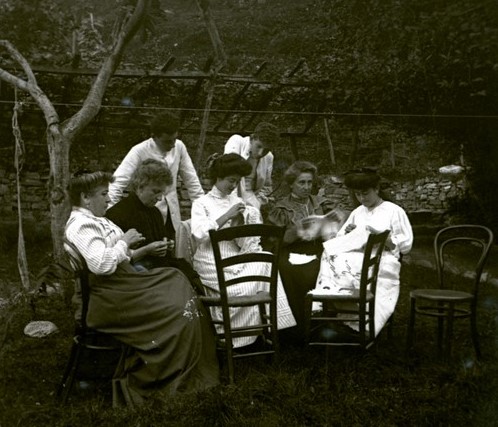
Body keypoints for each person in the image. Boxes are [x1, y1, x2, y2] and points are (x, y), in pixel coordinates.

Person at [65, 170, 219, 405]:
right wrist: (124, 242)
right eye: (104, 194)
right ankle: (166, 372)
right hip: (108, 295)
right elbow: (101, 264)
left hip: (121, 283)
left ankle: (184, 361)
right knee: (177, 303)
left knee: (176, 278)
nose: (108, 199)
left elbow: (117, 257)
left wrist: (131, 248)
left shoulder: (97, 220)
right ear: (86, 197)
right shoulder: (82, 225)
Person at [191, 153, 296, 348]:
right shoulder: (201, 203)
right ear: (218, 177)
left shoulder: (238, 202)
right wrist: (226, 216)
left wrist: (240, 223)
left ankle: (273, 327)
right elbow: (199, 234)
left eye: (237, 181)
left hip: (235, 254)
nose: (233, 185)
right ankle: (238, 336)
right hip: (210, 258)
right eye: (231, 180)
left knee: (266, 259)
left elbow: (245, 243)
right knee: (242, 287)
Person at [313, 168, 413, 336]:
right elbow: (340, 238)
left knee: (358, 267)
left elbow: (405, 245)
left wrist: (383, 238)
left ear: (377, 189)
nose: (362, 198)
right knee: (330, 255)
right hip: (356, 256)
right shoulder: (358, 212)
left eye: (365, 193)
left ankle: (363, 324)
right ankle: (343, 311)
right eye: (357, 194)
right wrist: (349, 233)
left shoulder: (394, 211)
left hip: (382, 258)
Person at [105, 158, 204, 293]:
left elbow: (160, 244)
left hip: (157, 268)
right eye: (155, 191)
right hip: (135, 276)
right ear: (140, 186)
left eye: (162, 193)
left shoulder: (155, 212)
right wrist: (147, 250)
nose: (159, 198)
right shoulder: (116, 214)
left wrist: (166, 245)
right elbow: (117, 261)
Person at [267, 161, 340, 341]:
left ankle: (324, 322)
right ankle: (297, 328)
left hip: (320, 247)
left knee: (331, 266)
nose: (306, 187)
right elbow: (276, 241)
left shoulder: (321, 203)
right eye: (301, 182)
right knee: (290, 270)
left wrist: (331, 224)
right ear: (291, 184)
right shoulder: (281, 208)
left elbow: (336, 228)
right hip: (291, 250)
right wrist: (299, 230)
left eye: (309, 182)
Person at [108, 112, 204, 236]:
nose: (172, 145)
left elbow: (192, 182)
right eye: (167, 141)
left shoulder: (179, 147)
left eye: (174, 139)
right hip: (145, 215)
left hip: (172, 215)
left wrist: (203, 212)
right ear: (154, 137)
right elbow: (116, 183)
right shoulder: (139, 151)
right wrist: (108, 217)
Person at [223, 122, 279, 210]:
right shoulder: (237, 142)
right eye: (258, 146)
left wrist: (258, 203)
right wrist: (235, 206)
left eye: (266, 150)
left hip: (252, 201)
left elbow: (266, 186)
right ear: (252, 138)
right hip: (228, 197)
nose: (260, 153)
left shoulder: (269, 157)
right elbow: (228, 175)